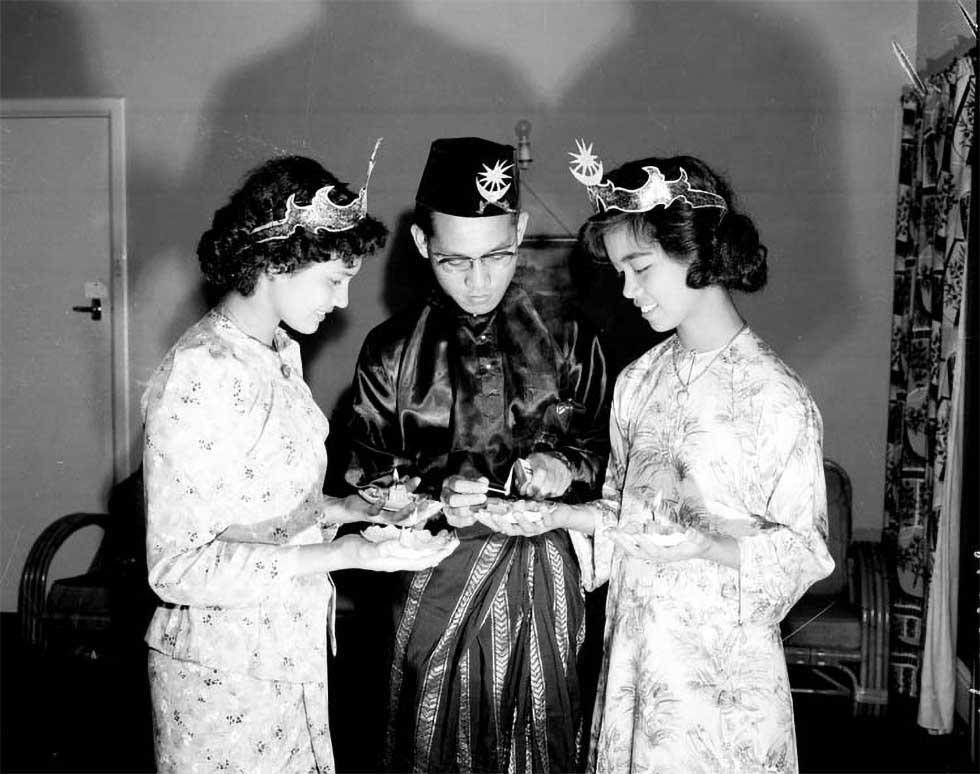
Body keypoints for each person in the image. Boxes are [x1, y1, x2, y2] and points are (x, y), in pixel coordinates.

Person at [142, 152, 457, 774]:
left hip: (287, 654)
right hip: (221, 674)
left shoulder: (277, 350)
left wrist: (348, 510)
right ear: (275, 262)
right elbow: (177, 567)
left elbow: (258, 506)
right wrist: (348, 554)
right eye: (333, 279)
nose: (342, 302)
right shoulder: (202, 371)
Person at [522, 145, 835, 773]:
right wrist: (552, 515)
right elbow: (625, 515)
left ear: (696, 252)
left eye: (639, 267)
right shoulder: (638, 381)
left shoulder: (775, 396)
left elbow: (805, 550)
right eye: (619, 273)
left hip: (722, 682)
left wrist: (704, 544)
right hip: (637, 659)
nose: (628, 290)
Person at [346, 137, 610, 773]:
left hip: (545, 581)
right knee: (434, 739)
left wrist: (562, 468)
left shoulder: (571, 336)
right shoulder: (390, 352)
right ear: (420, 245)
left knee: (542, 735)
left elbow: (607, 453)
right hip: (434, 584)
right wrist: (436, 494)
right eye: (453, 262)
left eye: (495, 256)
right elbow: (362, 476)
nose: (478, 281)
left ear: (519, 229)